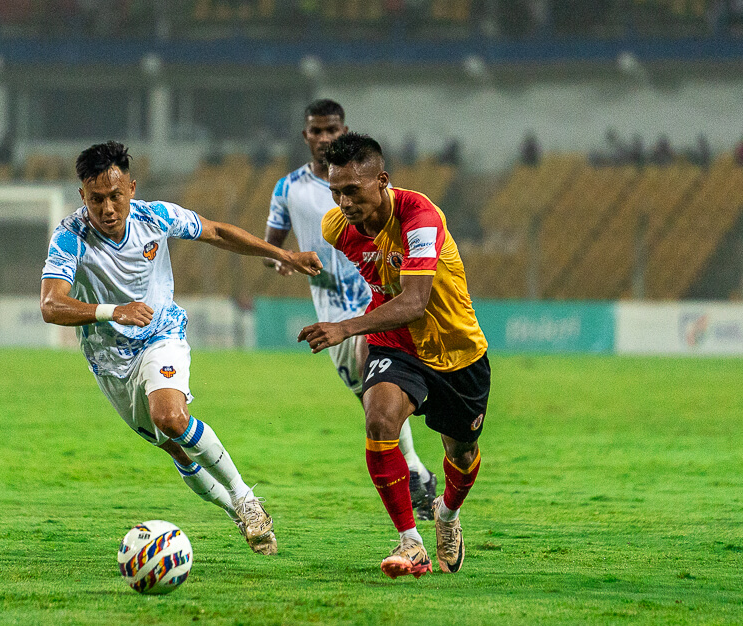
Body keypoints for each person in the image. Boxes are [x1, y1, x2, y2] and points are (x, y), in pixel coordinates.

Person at [40, 141, 323, 555]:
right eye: (96, 199)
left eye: (115, 196)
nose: (107, 209)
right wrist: (113, 311)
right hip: (111, 362)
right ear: (82, 195)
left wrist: (284, 254)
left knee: (171, 418)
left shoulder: (155, 217)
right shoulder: (70, 237)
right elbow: (51, 305)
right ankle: (237, 512)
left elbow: (217, 232)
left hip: (161, 334)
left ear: (131, 188)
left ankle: (245, 497)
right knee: (175, 446)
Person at [298, 133, 490, 579]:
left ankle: (446, 516)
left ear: (382, 181)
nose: (344, 202)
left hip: (456, 349)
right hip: (396, 343)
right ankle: (411, 542)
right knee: (380, 422)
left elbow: (416, 301)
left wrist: (344, 327)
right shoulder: (336, 228)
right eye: (336, 192)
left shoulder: (419, 217)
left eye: (353, 190)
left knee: (462, 454)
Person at [263, 99, 438, 520]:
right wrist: (281, 261)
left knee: (375, 375)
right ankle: (416, 472)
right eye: (316, 130)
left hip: (373, 295)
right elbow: (272, 246)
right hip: (330, 305)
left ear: (343, 131)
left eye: (332, 130)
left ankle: (413, 471)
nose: (324, 137)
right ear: (306, 135)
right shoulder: (287, 189)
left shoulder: (364, 181)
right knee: (364, 390)